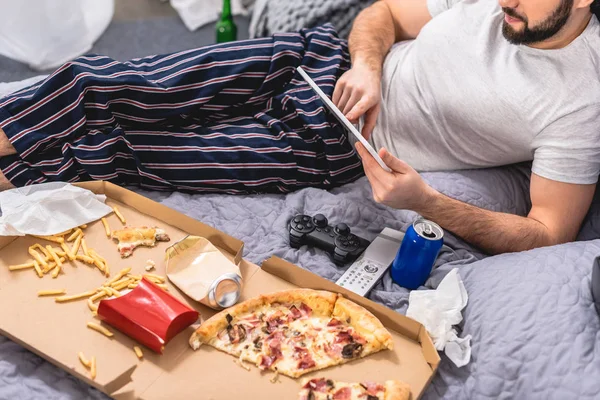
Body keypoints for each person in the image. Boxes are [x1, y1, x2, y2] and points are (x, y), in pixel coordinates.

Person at [0, 0, 598, 256]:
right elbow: (383, 13)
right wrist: (368, 64)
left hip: (329, 146)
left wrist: (429, 203)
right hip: (313, 59)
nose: (501, 3)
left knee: (123, 153)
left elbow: (548, 234)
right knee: (97, 82)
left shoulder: (580, 101)